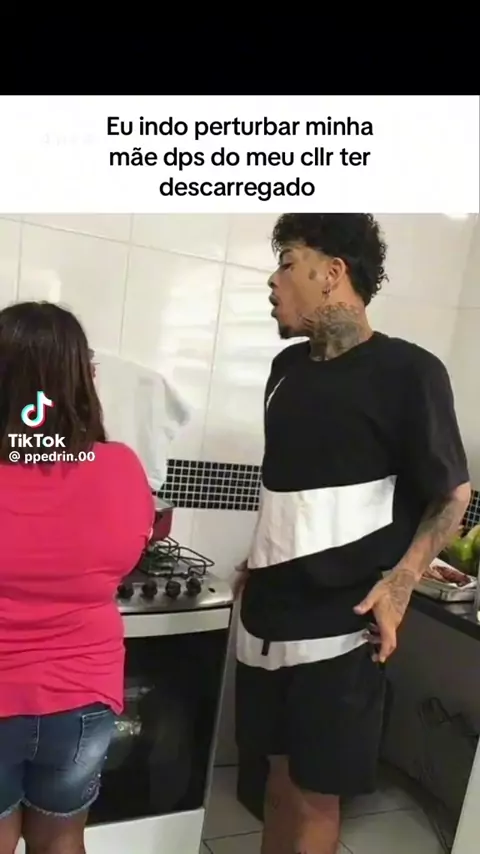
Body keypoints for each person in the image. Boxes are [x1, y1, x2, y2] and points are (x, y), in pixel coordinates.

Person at [234, 214, 471, 854]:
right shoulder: (285, 369)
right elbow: (294, 486)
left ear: (332, 272)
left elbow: (452, 495)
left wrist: (401, 583)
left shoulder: (409, 372)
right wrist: (260, 559)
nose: (273, 280)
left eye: (288, 262)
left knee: (314, 796)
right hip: (266, 619)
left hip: (341, 629)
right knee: (274, 784)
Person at [0, 302, 154, 854]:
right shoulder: (121, 468)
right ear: (80, 379)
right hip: (81, 698)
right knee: (62, 839)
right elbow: (128, 554)